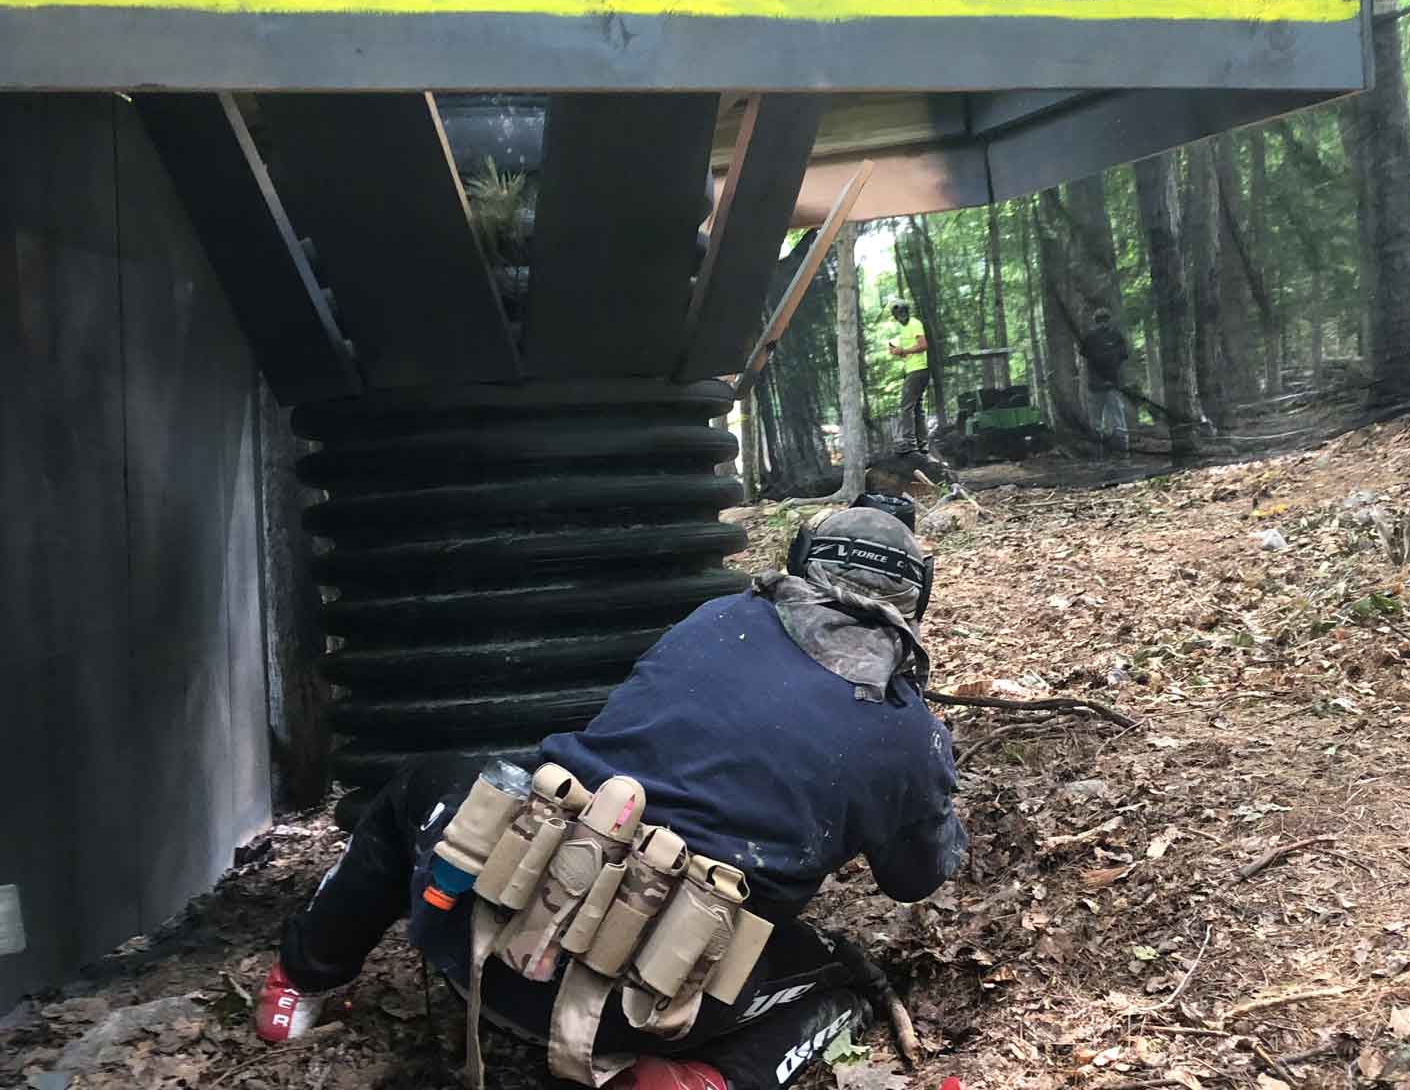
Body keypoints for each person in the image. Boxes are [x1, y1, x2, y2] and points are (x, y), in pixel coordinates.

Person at [256, 506, 965, 1090]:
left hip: (485, 934)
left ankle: (299, 983)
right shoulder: (905, 732)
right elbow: (916, 879)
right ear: (915, 601)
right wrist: (926, 779)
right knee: (840, 977)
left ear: (803, 558)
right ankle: (698, 1083)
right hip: (649, 1011)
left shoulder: (716, 620)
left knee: (418, 783)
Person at [883, 299, 930, 455]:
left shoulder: (914, 323)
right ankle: (922, 444)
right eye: (898, 315)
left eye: (903, 313)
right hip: (913, 370)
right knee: (916, 408)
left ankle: (910, 443)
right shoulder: (903, 329)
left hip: (918, 371)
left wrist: (904, 350)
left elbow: (923, 345)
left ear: (907, 312)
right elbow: (907, 351)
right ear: (895, 316)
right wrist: (898, 351)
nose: (900, 317)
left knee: (906, 407)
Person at [1083, 307, 1130, 455]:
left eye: (1105, 320)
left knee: (1118, 420)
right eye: (1099, 320)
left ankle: (1123, 451)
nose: (1102, 323)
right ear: (1095, 322)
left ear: (1109, 320)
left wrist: (1115, 380)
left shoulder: (1117, 336)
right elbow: (1085, 358)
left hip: (1112, 385)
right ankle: (1098, 454)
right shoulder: (1090, 338)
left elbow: (1122, 358)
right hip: (1096, 387)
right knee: (1096, 422)